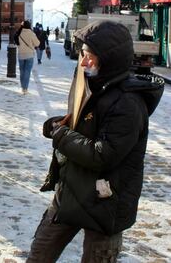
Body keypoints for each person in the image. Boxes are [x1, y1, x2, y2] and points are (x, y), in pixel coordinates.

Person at [27, 20, 164, 262]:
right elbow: (89, 126)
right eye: (82, 54)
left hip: (106, 204)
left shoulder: (128, 103)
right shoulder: (95, 86)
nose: (82, 62)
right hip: (71, 194)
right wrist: (61, 125)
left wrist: (61, 136)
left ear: (109, 58)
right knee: (39, 254)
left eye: (89, 56)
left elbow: (103, 154)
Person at [15, 20, 39, 95]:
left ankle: (22, 87)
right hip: (29, 55)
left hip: (21, 54)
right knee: (27, 71)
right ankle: (25, 88)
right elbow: (37, 43)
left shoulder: (19, 33)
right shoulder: (31, 33)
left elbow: (16, 41)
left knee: (22, 71)